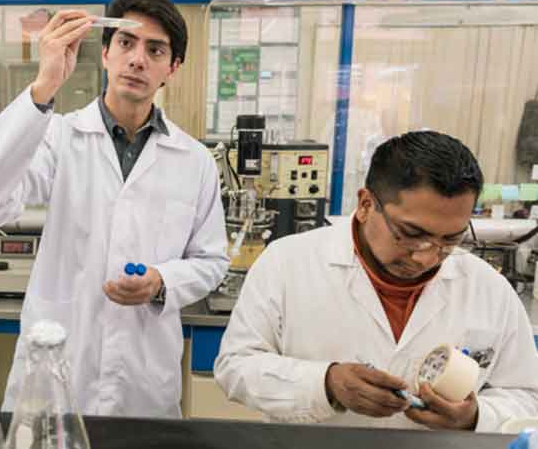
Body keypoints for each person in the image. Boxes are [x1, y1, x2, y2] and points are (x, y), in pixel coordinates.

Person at [0, 0, 229, 417]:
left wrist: (161, 280)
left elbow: (211, 260)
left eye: (154, 49)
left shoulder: (194, 160)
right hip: (59, 370)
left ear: (172, 68)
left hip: (143, 384)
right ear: (105, 54)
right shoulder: (58, 136)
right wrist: (44, 86)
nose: (137, 59)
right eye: (125, 43)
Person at [214, 131, 538, 431]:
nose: (427, 257)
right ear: (366, 204)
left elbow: (527, 397)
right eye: (411, 235)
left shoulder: (488, 289)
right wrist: (325, 383)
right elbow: (236, 367)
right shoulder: (287, 263)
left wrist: (474, 417)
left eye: (451, 240)